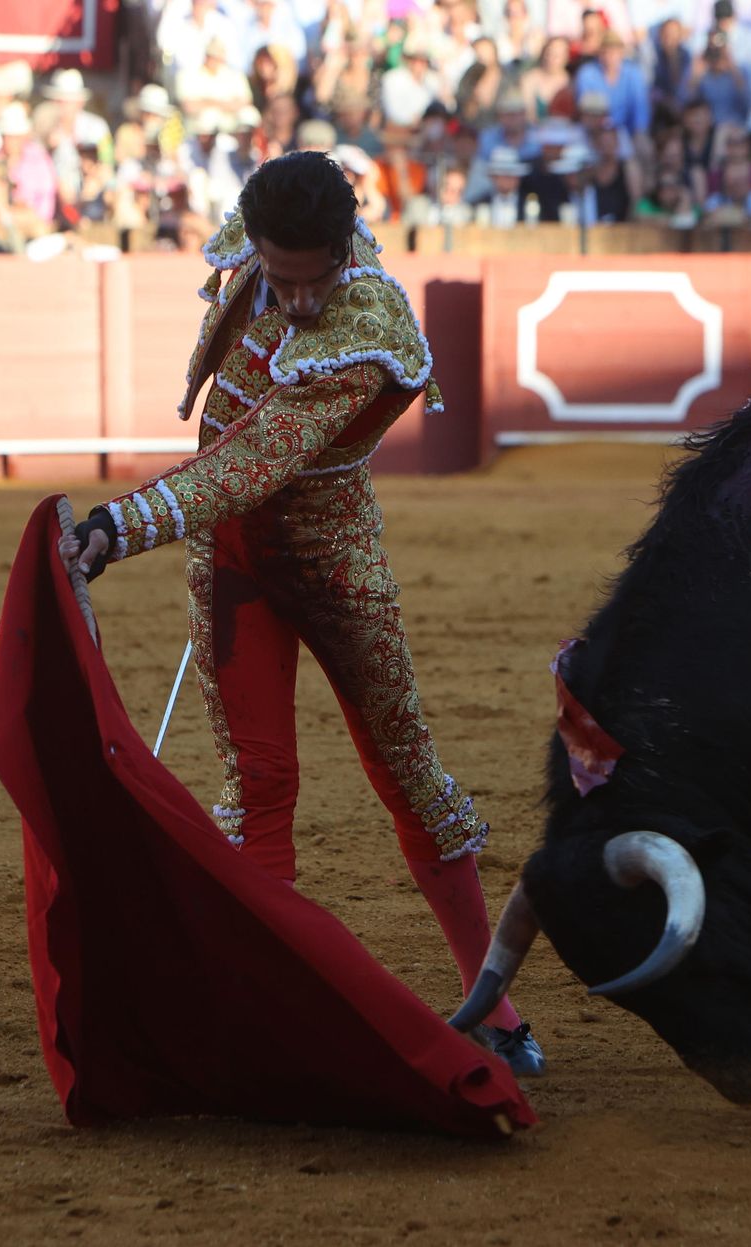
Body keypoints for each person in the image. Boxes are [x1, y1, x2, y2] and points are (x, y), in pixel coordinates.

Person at [57, 152, 545, 1078]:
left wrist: (121, 525)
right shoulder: (256, 251)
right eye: (277, 279)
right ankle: (265, 1002)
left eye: (308, 280)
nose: (296, 301)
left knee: (408, 774)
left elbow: (256, 461)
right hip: (233, 563)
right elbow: (227, 457)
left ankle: (495, 1007)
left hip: (332, 561)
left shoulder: (367, 323)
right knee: (261, 783)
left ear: (341, 253)